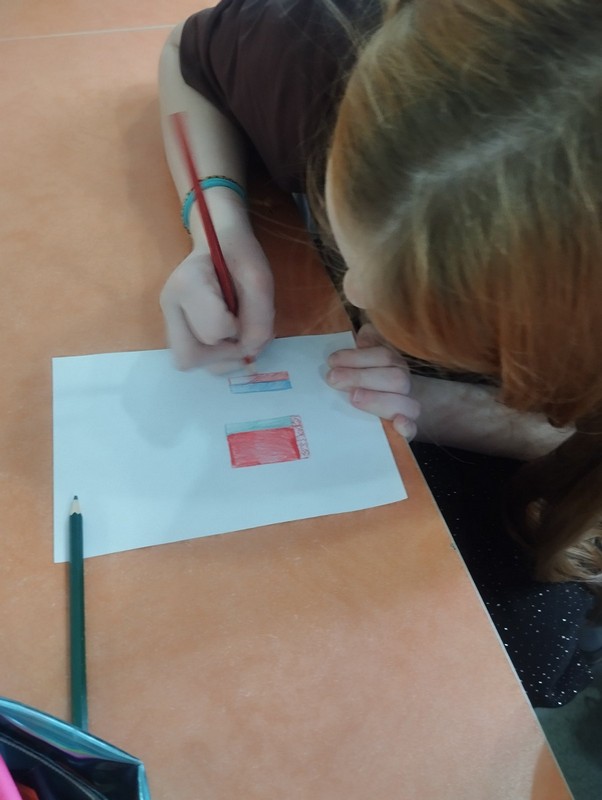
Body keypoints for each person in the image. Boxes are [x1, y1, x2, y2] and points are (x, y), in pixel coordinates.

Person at [158, 0, 602, 705]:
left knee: (535, 666)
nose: (353, 290)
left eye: (430, 307)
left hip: (565, 462)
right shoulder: (322, 46)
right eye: (345, 225)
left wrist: (455, 409)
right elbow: (185, 55)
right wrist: (218, 220)